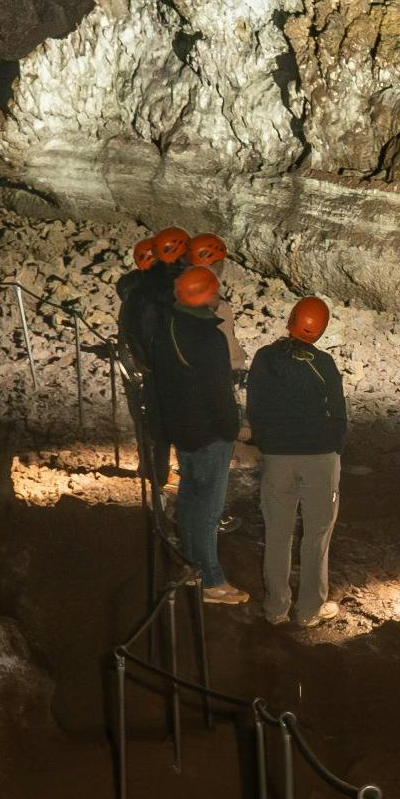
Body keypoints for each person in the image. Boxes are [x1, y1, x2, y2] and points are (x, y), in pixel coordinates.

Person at [246, 295, 347, 628]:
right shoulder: (324, 364)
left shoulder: (264, 359)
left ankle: (276, 607)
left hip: (278, 460)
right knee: (317, 536)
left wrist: (268, 445)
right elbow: (339, 415)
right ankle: (309, 610)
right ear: (321, 331)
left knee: (277, 534)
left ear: (291, 321)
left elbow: (255, 408)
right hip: (320, 459)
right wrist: (333, 448)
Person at [164, 264, 248, 604]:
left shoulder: (170, 325)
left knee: (189, 498)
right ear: (205, 297)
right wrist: (233, 429)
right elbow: (218, 394)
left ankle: (190, 567)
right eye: (215, 292)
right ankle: (211, 581)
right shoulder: (209, 338)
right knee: (209, 509)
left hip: (183, 428)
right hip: (210, 433)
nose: (218, 297)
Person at [117, 228, 188, 499]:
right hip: (150, 367)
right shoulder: (152, 295)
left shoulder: (134, 294)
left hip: (137, 363)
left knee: (147, 419)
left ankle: (154, 470)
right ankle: (158, 475)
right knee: (160, 420)